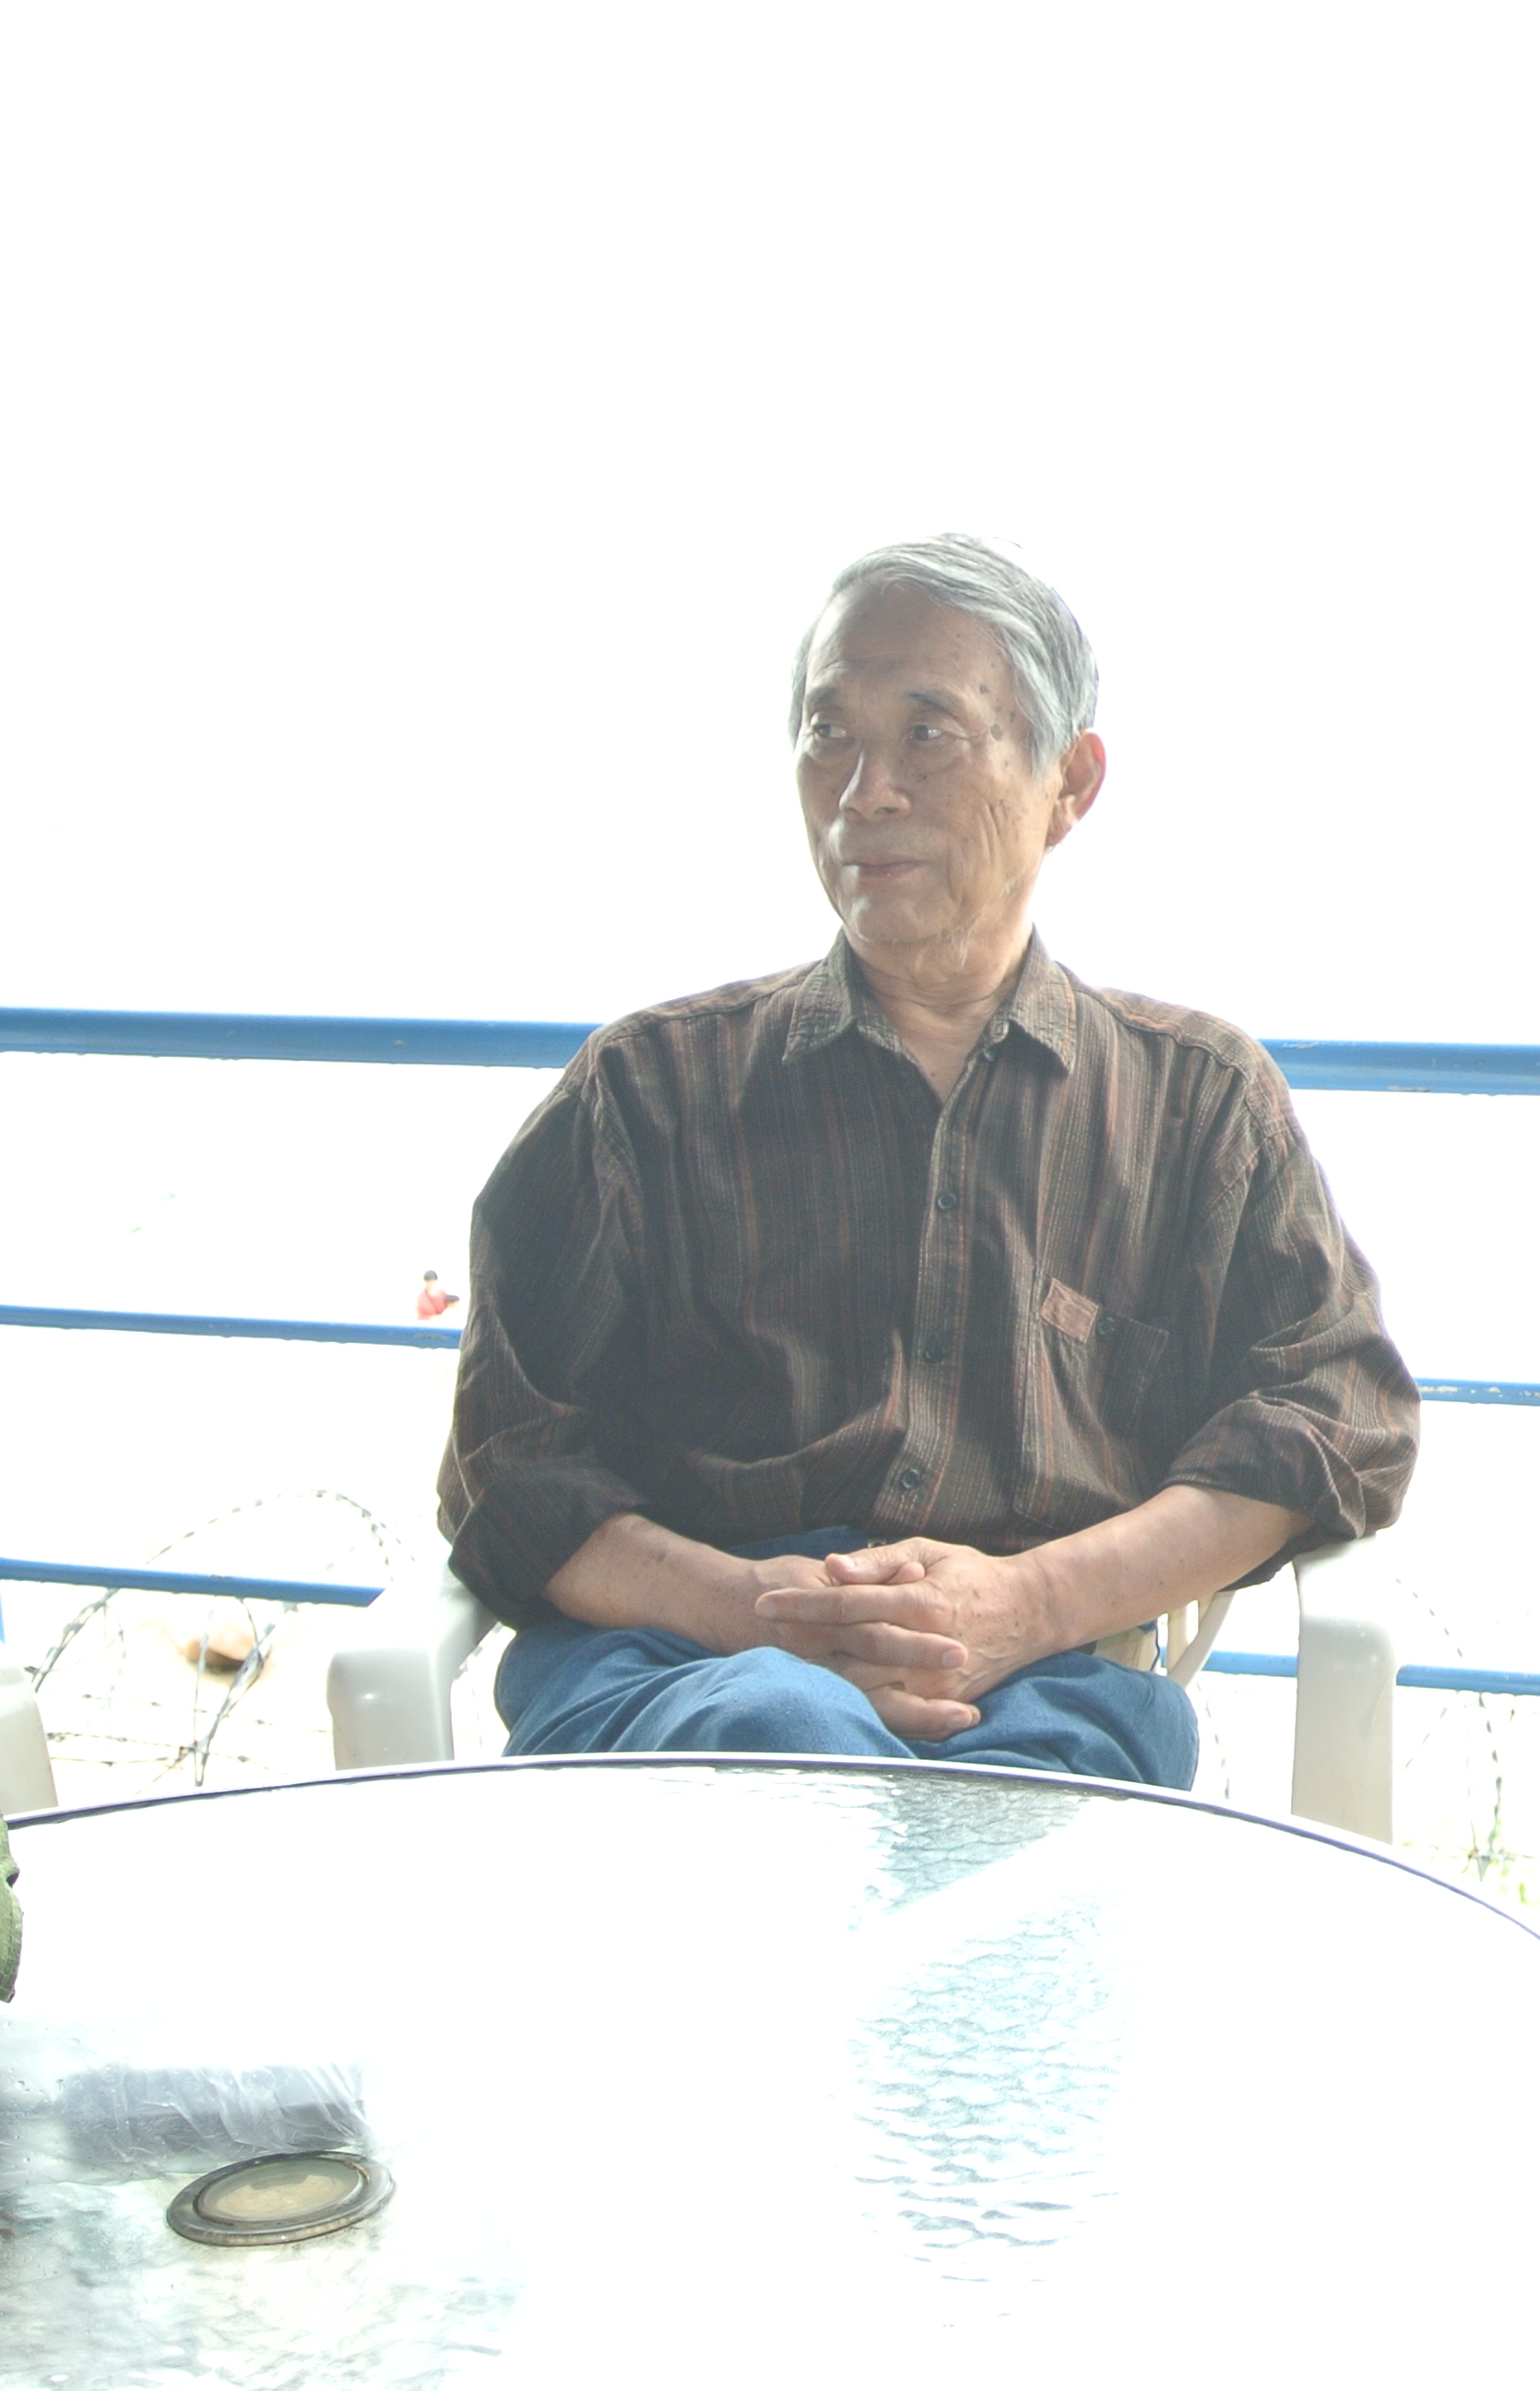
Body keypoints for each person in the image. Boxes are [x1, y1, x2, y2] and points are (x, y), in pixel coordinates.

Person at [436, 537, 1417, 1789]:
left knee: (1036, 1820)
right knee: (789, 1740)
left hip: (1038, 1673)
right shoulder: (646, 1093)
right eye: (828, 735)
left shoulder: (1197, 1104)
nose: (866, 793)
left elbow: (1335, 1418)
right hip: (685, 1659)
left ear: (1069, 782)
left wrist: (1029, 1602)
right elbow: (512, 1464)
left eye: (928, 736)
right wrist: (770, 1614)